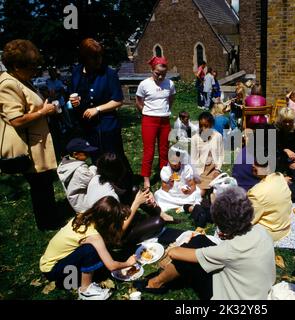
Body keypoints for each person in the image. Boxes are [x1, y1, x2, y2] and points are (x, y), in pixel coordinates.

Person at [134, 187, 276, 300]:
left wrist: (182, 246)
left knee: (189, 254)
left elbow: (173, 253)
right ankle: (162, 279)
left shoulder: (229, 250)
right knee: (199, 241)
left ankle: (155, 283)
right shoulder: (260, 230)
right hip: (257, 288)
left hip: (233, 297)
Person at [0, 39, 61, 231]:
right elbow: (16, 119)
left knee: (44, 183)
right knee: (40, 186)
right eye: (32, 66)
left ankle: (50, 217)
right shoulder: (7, 84)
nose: (35, 70)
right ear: (17, 66)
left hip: (37, 141)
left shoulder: (20, 79)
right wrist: (44, 112)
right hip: (29, 145)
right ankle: (47, 223)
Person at [40, 195, 148, 300]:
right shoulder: (94, 237)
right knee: (91, 249)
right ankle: (85, 290)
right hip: (52, 269)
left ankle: (81, 276)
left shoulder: (84, 216)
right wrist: (128, 263)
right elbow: (111, 266)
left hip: (50, 262)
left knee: (94, 248)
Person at [69, 38, 129, 172]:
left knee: (114, 157)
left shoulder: (109, 74)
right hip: (87, 126)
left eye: (100, 56)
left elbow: (118, 100)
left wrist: (98, 109)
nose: (98, 60)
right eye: (93, 57)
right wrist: (74, 102)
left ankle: (123, 186)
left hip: (107, 126)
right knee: (96, 158)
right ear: (85, 57)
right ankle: (102, 187)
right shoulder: (76, 73)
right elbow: (73, 95)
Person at [136, 56, 175, 189]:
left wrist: (165, 110)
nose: (160, 77)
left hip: (164, 120)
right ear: (152, 70)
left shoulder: (170, 84)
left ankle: (163, 174)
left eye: (163, 74)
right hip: (149, 120)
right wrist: (146, 112)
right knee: (149, 150)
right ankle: (146, 178)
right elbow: (139, 101)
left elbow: (171, 98)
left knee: (164, 149)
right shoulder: (144, 84)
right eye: (157, 74)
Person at [247, 142, 293, 242]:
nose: (252, 165)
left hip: (269, 234)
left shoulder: (257, 192)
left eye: (258, 163)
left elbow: (248, 220)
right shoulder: (280, 176)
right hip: (285, 227)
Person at [57, 138, 98, 213]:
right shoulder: (79, 170)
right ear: (75, 154)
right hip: (87, 205)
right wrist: (93, 167)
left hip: (77, 203)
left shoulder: (64, 166)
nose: (88, 154)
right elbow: (92, 179)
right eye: (85, 152)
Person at [190, 112, 224, 196]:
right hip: (201, 170)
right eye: (201, 126)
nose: (203, 129)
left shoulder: (218, 136)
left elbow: (221, 155)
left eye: (206, 126)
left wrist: (218, 170)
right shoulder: (195, 138)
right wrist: (195, 173)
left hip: (214, 169)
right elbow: (193, 159)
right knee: (200, 192)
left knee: (218, 190)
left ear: (211, 125)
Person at [275, 107, 295, 182]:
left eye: (290, 121)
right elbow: (273, 144)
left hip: (293, 158)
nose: (287, 124)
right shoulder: (276, 129)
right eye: (285, 121)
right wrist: (285, 149)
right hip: (279, 156)